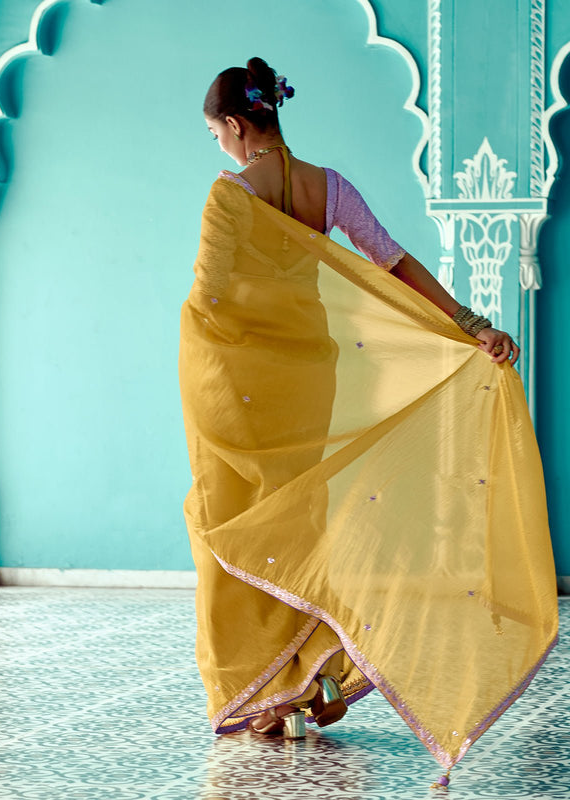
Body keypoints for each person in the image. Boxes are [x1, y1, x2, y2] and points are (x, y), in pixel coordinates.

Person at [179, 57, 558, 777]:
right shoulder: (330, 189)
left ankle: (273, 695)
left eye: (214, 133)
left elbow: (210, 305)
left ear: (235, 124)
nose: (218, 146)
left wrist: (210, 371)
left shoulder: (227, 197)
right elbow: (390, 260)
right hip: (312, 384)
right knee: (305, 528)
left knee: (232, 525)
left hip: (246, 395)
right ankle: (311, 670)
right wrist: (469, 322)